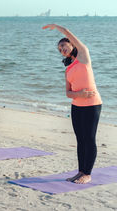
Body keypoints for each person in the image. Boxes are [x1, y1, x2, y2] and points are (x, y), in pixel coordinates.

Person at [43, 24, 102, 184]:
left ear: (71, 44)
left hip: (92, 105)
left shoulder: (84, 56)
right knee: (80, 140)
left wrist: (56, 27)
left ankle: (87, 174)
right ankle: (80, 171)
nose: (62, 49)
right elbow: (68, 92)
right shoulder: (68, 68)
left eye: (63, 45)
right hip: (76, 106)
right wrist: (79, 95)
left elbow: (69, 32)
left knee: (89, 138)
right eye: (59, 49)